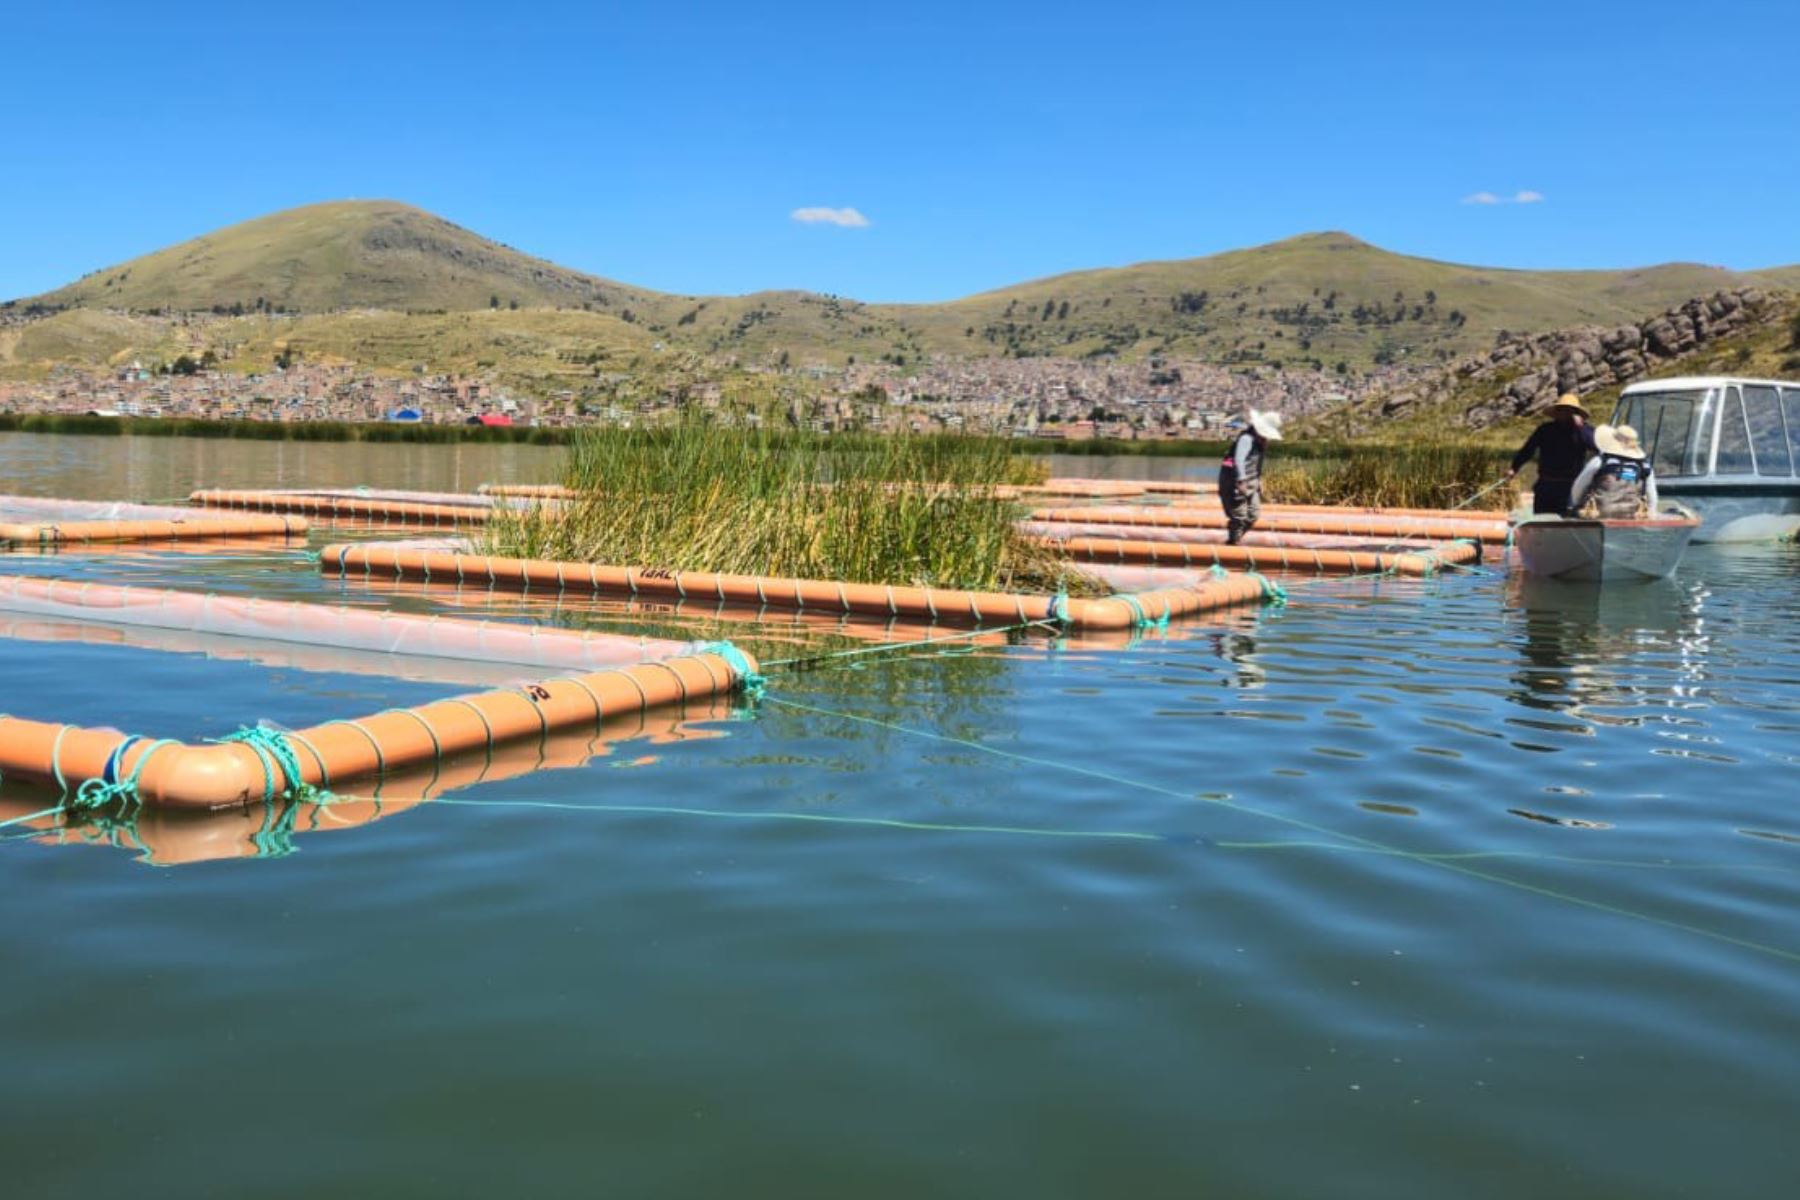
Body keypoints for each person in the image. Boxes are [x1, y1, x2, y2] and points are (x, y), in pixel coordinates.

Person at [1508, 394, 1596, 516]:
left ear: (1575, 413)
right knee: (1541, 520)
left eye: (1569, 410)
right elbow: (1528, 450)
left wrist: (1581, 427)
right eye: (1562, 410)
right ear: (1557, 412)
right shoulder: (1545, 430)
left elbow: (1594, 445)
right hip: (1546, 485)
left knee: (1567, 520)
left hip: (1571, 486)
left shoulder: (1583, 431)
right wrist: (1514, 467)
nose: (1565, 413)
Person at [1218, 408, 1283, 545]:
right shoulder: (1246, 439)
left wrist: (1259, 483)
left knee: (1253, 514)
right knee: (1239, 516)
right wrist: (1241, 480)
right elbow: (1239, 459)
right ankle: (1232, 543)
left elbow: (1255, 466)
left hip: (1252, 483)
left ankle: (1235, 539)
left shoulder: (1259, 444)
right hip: (1235, 482)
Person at [1569, 424, 1657, 518]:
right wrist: (1651, 513)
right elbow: (1652, 496)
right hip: (1633, 515)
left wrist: (1576, 504)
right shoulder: (1644, 466)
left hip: (1597, 513)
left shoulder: (1600, 461)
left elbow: (1578, 487)